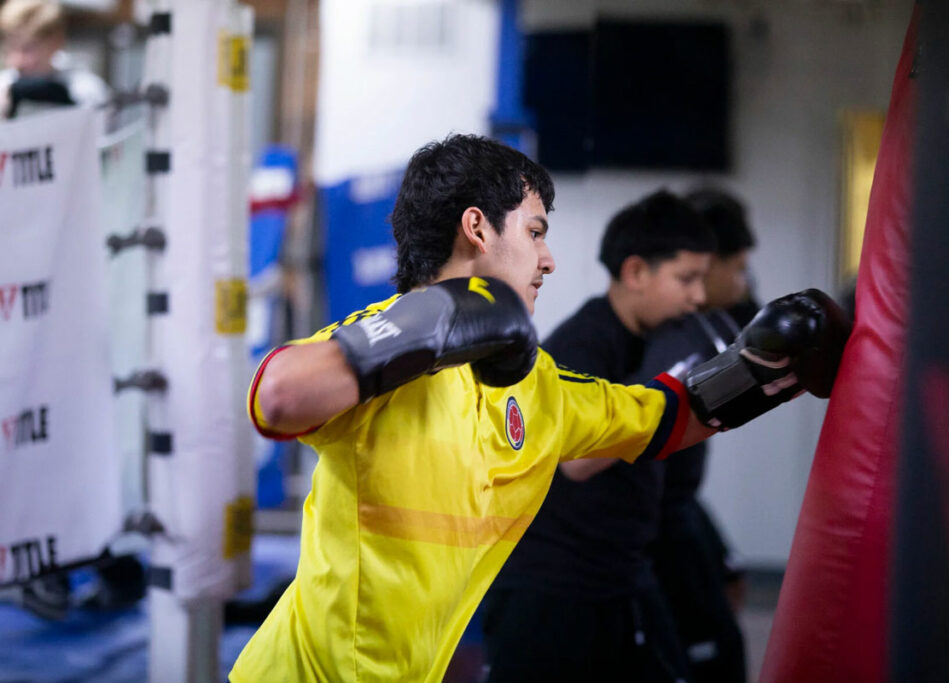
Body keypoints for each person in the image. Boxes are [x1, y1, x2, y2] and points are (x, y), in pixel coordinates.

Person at [228, 134, 850, 682]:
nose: (548, 259)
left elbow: (665, 416)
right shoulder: (377, 356)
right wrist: (447, 313)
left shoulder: (537, 386)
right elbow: (278, 396)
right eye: (534, 232)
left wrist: (766, 370)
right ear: (476, 228)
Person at [481, 189, 716, 683]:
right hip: (552, 589)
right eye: (686, 279)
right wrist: (660, 383)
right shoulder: (582, 343)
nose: (699, 296)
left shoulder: (653, 338)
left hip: (621, 575)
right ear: (636, 273)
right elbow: (578, 462)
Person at [638, 187, 762, 683]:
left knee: (723, 629)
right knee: (708, 652)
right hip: (646, 526)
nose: (743, 279)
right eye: (735, 267)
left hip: (678, 507)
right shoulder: (674, 341)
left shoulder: (709, 327)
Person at [0, 0, 109, 119]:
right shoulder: (3, 85)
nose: (17, 60)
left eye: (28, 48)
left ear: (56, 43)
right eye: (10, 48)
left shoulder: (86, 91)